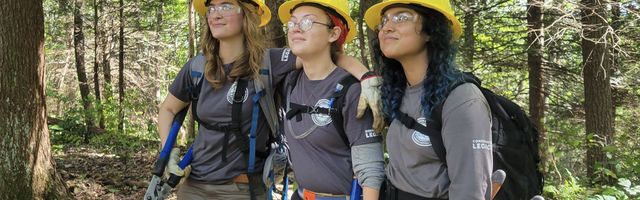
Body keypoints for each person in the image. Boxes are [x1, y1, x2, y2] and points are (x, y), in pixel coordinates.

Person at [157, 0, 382, 199]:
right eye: (211, 8)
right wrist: (168, 151)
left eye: (226, 6)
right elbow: (168, 108)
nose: (215, 14)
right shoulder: (197, 68)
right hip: (193, 184)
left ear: (248, 13)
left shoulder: (270, 62)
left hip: (241, 188)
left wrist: (366, 76)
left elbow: (327, 54)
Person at [363, 0, 493, 199]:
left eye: (402, 17)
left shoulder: (462, 100)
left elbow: (470, 192)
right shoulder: (396, 91)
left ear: (431, 30)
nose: (387, 27)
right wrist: (365, 77)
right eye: (384, 20)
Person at [277, 1, 385, 200]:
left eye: (308, 22)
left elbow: (370, 169)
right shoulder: (289, 82)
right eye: (292, 23)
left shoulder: (351, 90)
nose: (296, 29)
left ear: (333, 34)